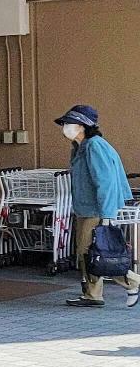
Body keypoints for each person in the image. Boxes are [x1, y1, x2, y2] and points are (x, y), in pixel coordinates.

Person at [56, 104, 139, 308]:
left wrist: (107, 214)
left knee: (92, 253)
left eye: (69, 123)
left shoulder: (94, 145)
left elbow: (105, 181)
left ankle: (134, 282)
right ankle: (93, 295)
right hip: (86, 209)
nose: (65, 127)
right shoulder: (80, 148)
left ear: (82, 125)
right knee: (87, 253)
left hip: (96, 210)